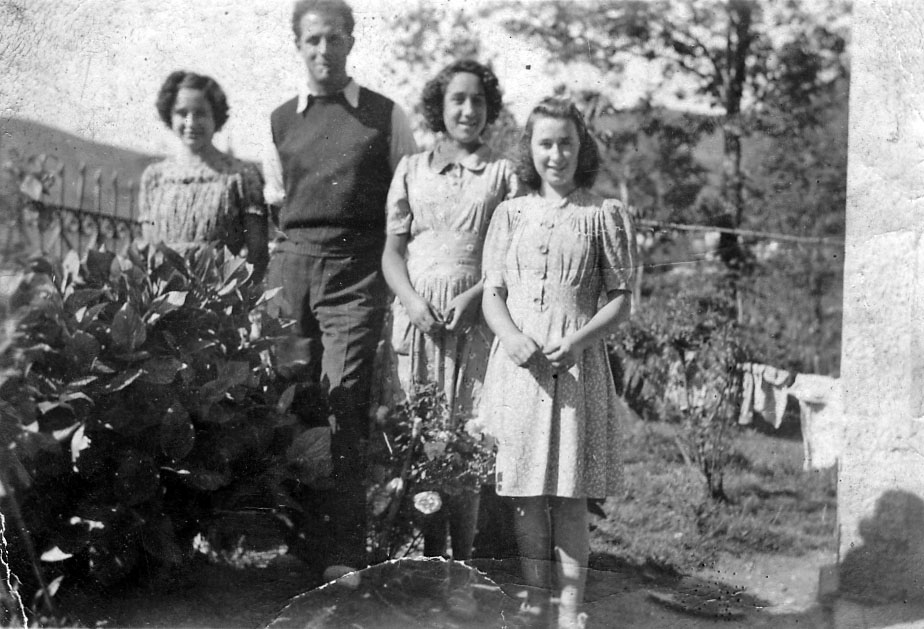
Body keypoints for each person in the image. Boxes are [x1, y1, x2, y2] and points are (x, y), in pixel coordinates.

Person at [262, 0, 417, 576]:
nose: (323, 51)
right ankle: (299, 545)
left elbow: (408, 202)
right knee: (293, 397)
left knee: (344, 395)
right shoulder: (282, 119)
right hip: (292, 267)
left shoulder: (384, 115)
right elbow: (276, 209)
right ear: (298, 46)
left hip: (354, 269)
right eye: (312, 41)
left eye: (333, 39)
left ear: (351, 41)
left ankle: (345, 550)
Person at [480, 97, 636, 629]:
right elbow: (492, 294)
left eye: (566, 142)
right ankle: (537, 601)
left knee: (568, 496)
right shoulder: (510, 213)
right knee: (525, 493)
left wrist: (579, 340)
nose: (556, 153)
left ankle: (571, 611)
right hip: (520, 368)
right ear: (530, 148)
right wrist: (512, 337)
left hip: (575, 369)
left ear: (580, 147)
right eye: (545, 142)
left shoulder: (602, 213)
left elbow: (620, 298)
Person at [381, 59, 520, 562]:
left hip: (474, 321)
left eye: (478, 100)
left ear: (490, 109)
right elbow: (392, 254)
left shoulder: (503, 174)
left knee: (468, 438)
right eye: (457, 99)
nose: (468, 109)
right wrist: (412, 301)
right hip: (418, 322)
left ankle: (463, 563)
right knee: (420, 439)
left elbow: (510, 256)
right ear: (439, 107)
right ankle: (428, 557)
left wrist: (477, 295)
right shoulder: (412, 169)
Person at [138, 71, 268, 276]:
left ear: (215, 116)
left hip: (218, 298)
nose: (190, 123)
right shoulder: (154, 178)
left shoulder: (241, 176)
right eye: (182, 113)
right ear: (169, 115)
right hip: (165, 298)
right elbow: (149, 252)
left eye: (200, 113)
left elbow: (258, 255)